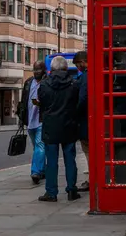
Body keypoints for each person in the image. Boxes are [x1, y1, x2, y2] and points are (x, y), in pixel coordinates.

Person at [38, 56, 80, 202]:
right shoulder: (74, 84)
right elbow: (77, 105)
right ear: (65, 68)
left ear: (52, 68)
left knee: (51, 161)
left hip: (51, 127)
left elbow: (42, 104)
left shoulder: (44, 85)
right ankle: (71, 190)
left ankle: (51, 192)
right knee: (70, 159)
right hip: (69, 125)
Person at [18, 61, 47, 185]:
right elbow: (23, 101)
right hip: (30, 120)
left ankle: (35, 172)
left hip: (42, 119)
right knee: (37, 148)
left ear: (44, 70)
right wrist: (21, 118)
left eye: (38, 69)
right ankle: (43, 170)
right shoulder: (28, 82)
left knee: (40, 146)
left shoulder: (47, 82)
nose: (36, 72)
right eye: (34, 69)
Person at [73, 51, 90, 192]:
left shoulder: (85, 76)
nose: (78, 67)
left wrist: (76, 112)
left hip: (87, 120)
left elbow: (83, 98)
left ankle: (92, 179)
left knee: (88, 151)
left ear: (83, 62)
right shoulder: (94, 73)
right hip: (95, 118)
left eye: (78, 64)